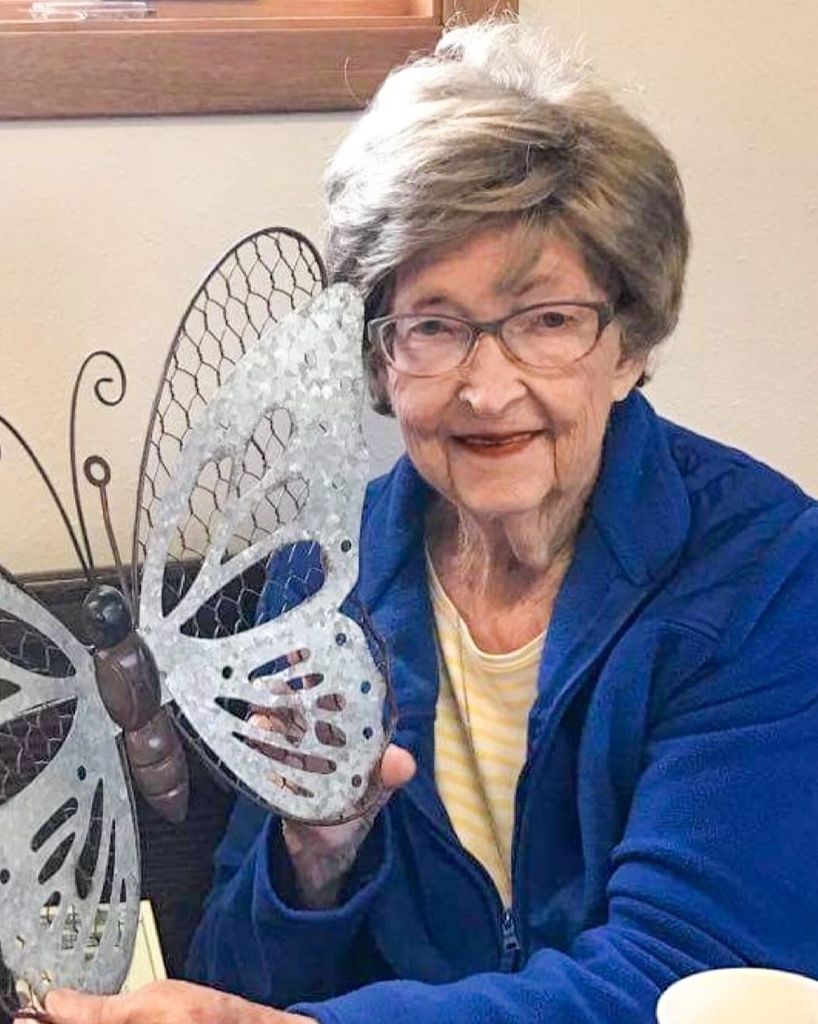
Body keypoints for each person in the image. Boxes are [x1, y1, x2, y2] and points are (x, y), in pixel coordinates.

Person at [38, 16, 818, 1024]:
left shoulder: (765, 575)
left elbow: (679, 978)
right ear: (380, 358)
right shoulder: (320, 586)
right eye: (435, 327)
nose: (486, 390)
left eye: (546, 321)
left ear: (627, 345)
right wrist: (312, 851)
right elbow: (231, 975)